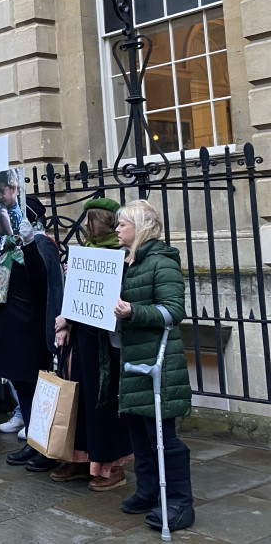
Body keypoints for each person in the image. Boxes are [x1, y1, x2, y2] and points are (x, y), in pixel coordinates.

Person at [114, 199, 194, 532]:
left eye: (122, 224)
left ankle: (179, 503)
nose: (117, 229)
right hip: (133, 358)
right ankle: (148, 492)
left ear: (140, 227)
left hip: (158, 362)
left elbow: (173, 312)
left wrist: (134, 311)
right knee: (138, 431)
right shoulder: (127, 262)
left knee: (163, 437)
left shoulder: (162, 263)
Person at [0, 195, 63, 472]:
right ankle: (33, 443)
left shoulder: (43, 244)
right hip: (9, 325)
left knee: (36, 388)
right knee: (21, 385)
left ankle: (46, 448)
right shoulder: (10, 247)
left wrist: (30, 245)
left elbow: (40, 281)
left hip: (30, 328)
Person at [50, 197, 133, 491]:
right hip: (81, 338)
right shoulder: (84, 252)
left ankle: (110, 464)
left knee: (103, 402)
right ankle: (79, 458)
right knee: (78, 399)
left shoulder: (120, 254)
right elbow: (77, 296)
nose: (84, 225)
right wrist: (66, 319)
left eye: (89, 219)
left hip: (105, 343)